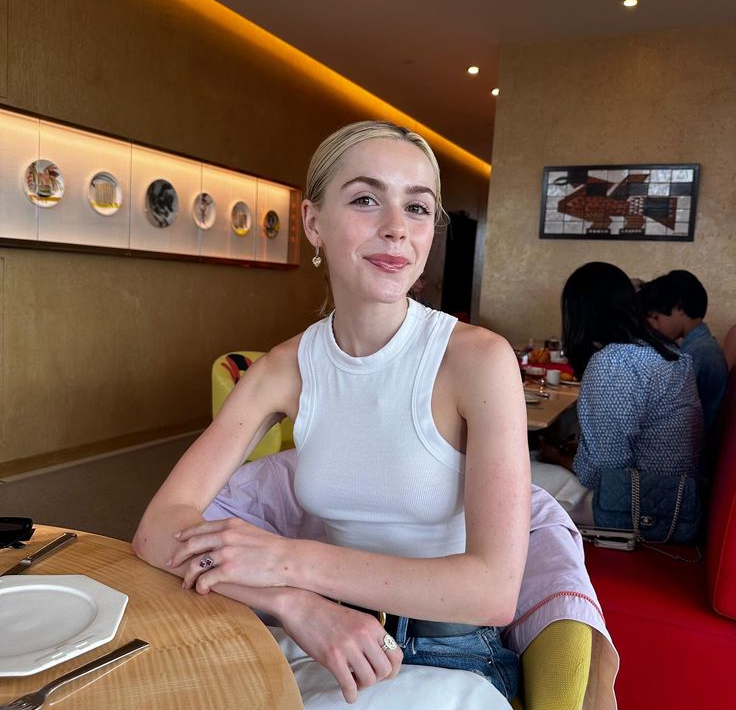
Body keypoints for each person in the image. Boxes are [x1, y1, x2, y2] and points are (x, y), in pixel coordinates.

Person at [133, 121, 531, 707]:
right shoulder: (284, 368)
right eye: (367, 199)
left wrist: (291, 563)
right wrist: (294, 603)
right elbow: (157, 527)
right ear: (314, 223)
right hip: (319, 633)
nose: (396, 229)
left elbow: (492, 590)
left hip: (449, 656)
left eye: (417, 208)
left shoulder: (477, 361)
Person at [533, 262, 703, 526]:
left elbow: (601, 473)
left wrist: (558, 456)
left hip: (639, 508)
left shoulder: (614, 362)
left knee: (504, 476)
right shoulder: (666, 353)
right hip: (674, 497)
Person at [639, 270, 728, 435]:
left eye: (656, 318)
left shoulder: (698, 354)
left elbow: (670, 414)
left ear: (679, 307)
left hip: (688, 449)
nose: (654, 327)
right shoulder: (699, 346)